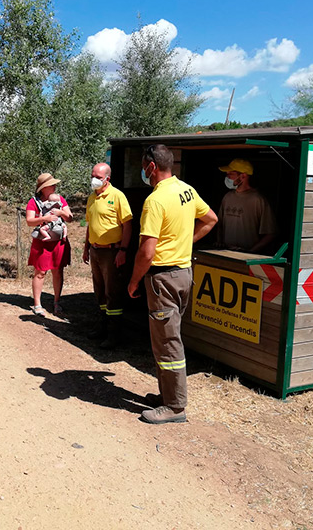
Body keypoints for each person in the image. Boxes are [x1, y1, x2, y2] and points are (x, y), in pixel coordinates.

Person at [127, 145, 218, 424]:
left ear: (152, 167)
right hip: (183, 273)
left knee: (168, 342)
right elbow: (210, 219)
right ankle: (167, 395)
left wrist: (133, 281)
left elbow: (147, 251)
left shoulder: (155, 200)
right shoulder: (186, 190)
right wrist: (184, 243)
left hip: (163, 278)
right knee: (167, 336)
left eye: (144, 166)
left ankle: (176, 407)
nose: (143, 171)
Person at [82, 162, 133, 349]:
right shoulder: (91, 198)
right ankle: (102, 326)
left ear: (107, 179)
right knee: (99, 290)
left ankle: (114, 334)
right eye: (92, 175)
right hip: (95, 251)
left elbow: (127, 225)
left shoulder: (117, 196)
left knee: (113, 292)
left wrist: (123, 250)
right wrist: (86, 248)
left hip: (112, 252)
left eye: (98, 177)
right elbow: (90, 225)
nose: (94, 179)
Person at [26, 173, 73, 317]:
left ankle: (57, 302)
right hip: (43, 242)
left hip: (58, 241)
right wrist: (44, 218)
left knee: (58, 271)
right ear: (43, 187)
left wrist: (61, 213)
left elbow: (70, 217)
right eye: (51, 184)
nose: (54, 186)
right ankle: (37, 304)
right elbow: (29, 221)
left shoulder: (60, 199)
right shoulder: (33, 202)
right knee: (39, 272)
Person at [217, 158, 277, 254]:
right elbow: (219, 225)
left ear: (243, 176)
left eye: (230, 174)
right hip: (226, 253)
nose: (227, 178)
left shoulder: (258, 200)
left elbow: (270, 233)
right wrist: (219, 242)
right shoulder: (227, 197)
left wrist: (250, 252)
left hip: (246, 258)